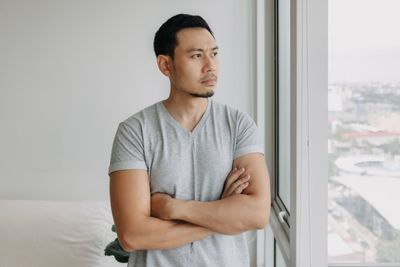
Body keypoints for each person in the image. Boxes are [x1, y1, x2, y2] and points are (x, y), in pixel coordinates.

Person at [108, 13, 271, 267]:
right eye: (196, 56)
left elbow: (258, 214)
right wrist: (223, 212)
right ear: (166, 65)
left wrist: (174, 208)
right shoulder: (134, 131)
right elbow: (132, 235)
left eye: (214, 54)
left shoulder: (239, 125)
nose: (210, 66)